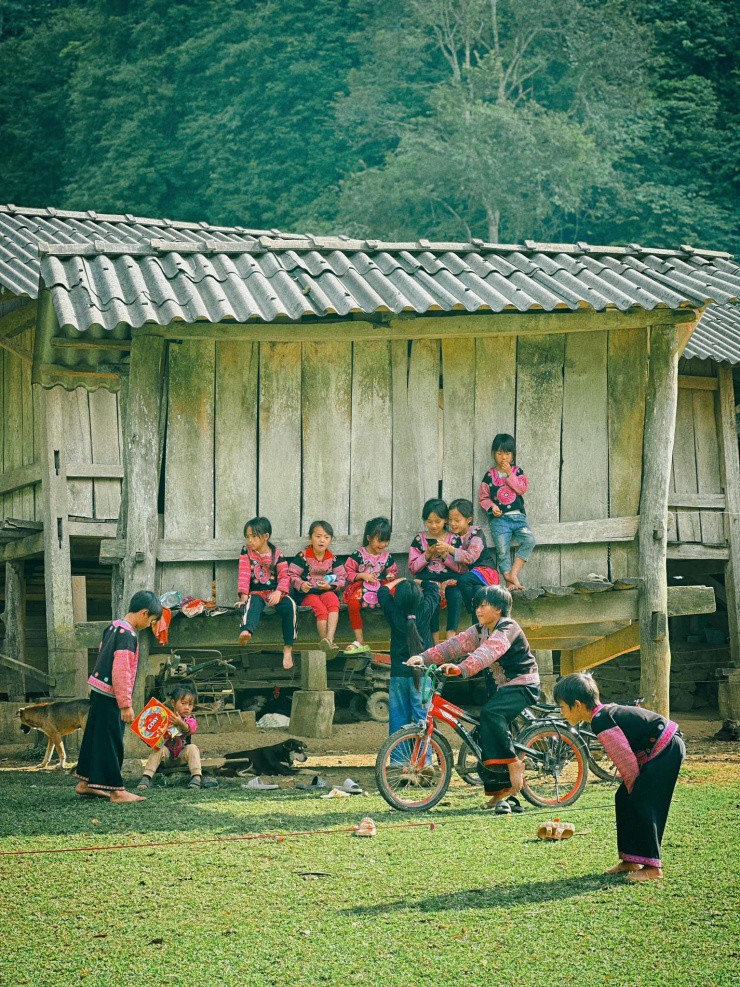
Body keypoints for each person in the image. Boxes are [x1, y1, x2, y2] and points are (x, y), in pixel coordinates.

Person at [408, 584, 539, 812]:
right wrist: (423, 657)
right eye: (477, 605)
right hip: (500, 689)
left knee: (491, 714)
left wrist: (462, 668)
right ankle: (500, 795)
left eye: (484, 605)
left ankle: (514, 762)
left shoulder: (508, 628)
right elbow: (453, 645)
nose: (478, 609)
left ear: (499, 609)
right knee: (482, 735)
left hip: (522, 685)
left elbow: (488, 653)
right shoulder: (479, 630)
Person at [554, 673, 685, 882]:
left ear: (577, 705)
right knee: (623, 798)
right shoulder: (601, 715)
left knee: (643, 802)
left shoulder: (601, 720)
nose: (561, 712)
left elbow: (625, 761)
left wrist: (636, 791)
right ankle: (630, 859)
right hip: (659, 748)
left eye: (562, 707)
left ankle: (653, 867)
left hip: (666, 747)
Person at [75, 590, 162, 803]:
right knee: (112, 742)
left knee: (94, 738)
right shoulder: (128, 636)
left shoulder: (113, 627)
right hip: (112, 696)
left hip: (98, 691)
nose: (149, 625)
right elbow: (121, 672)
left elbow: (103, 654)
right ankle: (116, 791)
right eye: (151, 620)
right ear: (144, 613)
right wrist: (125, 704)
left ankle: (85, 782)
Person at [378, 577, 439, 737]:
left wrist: (399, 581)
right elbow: (433, 587)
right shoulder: (426, 608)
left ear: (397, 599)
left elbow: (382, 591)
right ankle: (424, 759)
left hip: (399, 673)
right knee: (422, 720)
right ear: (419, 598)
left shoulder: (393, 612)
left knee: (398, 720)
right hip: (422, 675)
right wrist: (418, 581)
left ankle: (398, 760)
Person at [431, 498, 499, 637]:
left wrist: (449, 549)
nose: (452, 523)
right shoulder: (453, 537)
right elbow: (457, 565)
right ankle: (479, 629)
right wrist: (444, 554)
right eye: (450, 520)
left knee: (464, 582)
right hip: (472, 578)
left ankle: (475, 613)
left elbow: (471, 557)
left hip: (485, 572)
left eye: (457, 520)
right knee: (476, 592)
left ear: (468, 519)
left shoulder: (476, 534)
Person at [237, 516, 297, 669]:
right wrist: (244, 597)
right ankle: (246, 631)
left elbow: (285, 576)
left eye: (254, 536)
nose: (249, 540)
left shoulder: (276, 554)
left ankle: (288, 648)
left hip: (275, 592)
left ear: (265, 537)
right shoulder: (247, 552)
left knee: (290, 606)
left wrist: (279, 592)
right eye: (247, 536)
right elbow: (244, 574)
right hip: (257, 592)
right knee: (251, 604)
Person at [479, 433, 536, 590]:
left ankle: (513, 573)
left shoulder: (517, 472)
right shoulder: (489, 476)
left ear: (513, 455)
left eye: (507, 453)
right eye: (499, 453)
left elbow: (522, 489)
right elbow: (483, 498)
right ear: (493, 454)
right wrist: (492, 507)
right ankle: (509, 581)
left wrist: (510, 474)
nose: (503, 457)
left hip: (518, 518)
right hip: (500, 520)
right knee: (502, 550)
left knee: (530, 541)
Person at [343, 516, 398, 653]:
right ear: (368, 537)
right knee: (353, 604)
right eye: (380, 540)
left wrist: (391, 576)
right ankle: (360, 640)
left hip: (379, 586)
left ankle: (396, 636)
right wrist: (362, 575)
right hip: (361, 587)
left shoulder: (387, 557)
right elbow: (347, 573)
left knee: (395, 599)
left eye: (386, 541)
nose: (383, 544)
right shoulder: (358, 555)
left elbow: (393, 571)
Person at [289, 520, 346, 652]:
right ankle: (323, 641)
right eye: (318, 536)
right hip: (307, 594)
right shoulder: (303, 556)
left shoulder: (332, 558)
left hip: (326, 591)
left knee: (333, 601)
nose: (322, 541)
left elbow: (342, 578)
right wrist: (301, 584)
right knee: (320, 609)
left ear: (330, 540)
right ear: (310, 538)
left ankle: (330, 640)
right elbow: (291, 574)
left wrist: (330, 586)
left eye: (326, 537)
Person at [408, 498, 459, 645]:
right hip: (427, 580)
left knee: (456, 596)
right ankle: (435, 642)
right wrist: (427, 555)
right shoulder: (419, 539)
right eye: (429, 522)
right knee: (431, 597)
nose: (433, 525)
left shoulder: (453, 539)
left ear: (445, 521)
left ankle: (451, 637)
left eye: (438, 521)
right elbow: (412, 568)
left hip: (449, 580)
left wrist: (445, 555)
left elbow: (461, 568)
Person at [137, 685, 203, 791]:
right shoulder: (162, 717)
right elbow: (153, 738)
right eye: (183, 703)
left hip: (182, 756)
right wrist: (147, 737)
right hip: (166, 757)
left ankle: (196, 777)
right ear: (173, 703)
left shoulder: (189, 720)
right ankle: (146, 777)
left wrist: (180, 723)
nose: (187, 707)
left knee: (193, 748)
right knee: (158, 749)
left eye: (190, 705)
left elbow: (190, 729)